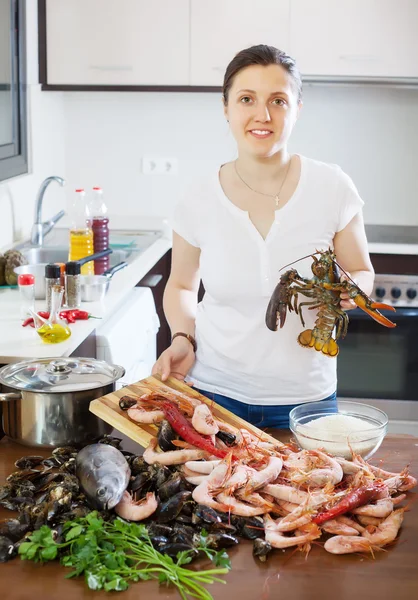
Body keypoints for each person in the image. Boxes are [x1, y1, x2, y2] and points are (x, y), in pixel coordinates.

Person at [152, 44, 374, 429]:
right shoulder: (197, 198)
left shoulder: (333, 186)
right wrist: (182, 337)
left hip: (309, 402)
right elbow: (181, 287)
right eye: (246, 99)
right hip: (214, 393)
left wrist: (353, 290)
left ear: (297, 108)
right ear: (226, 108)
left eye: (278, 100)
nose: (263, 114)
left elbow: (361, 271)